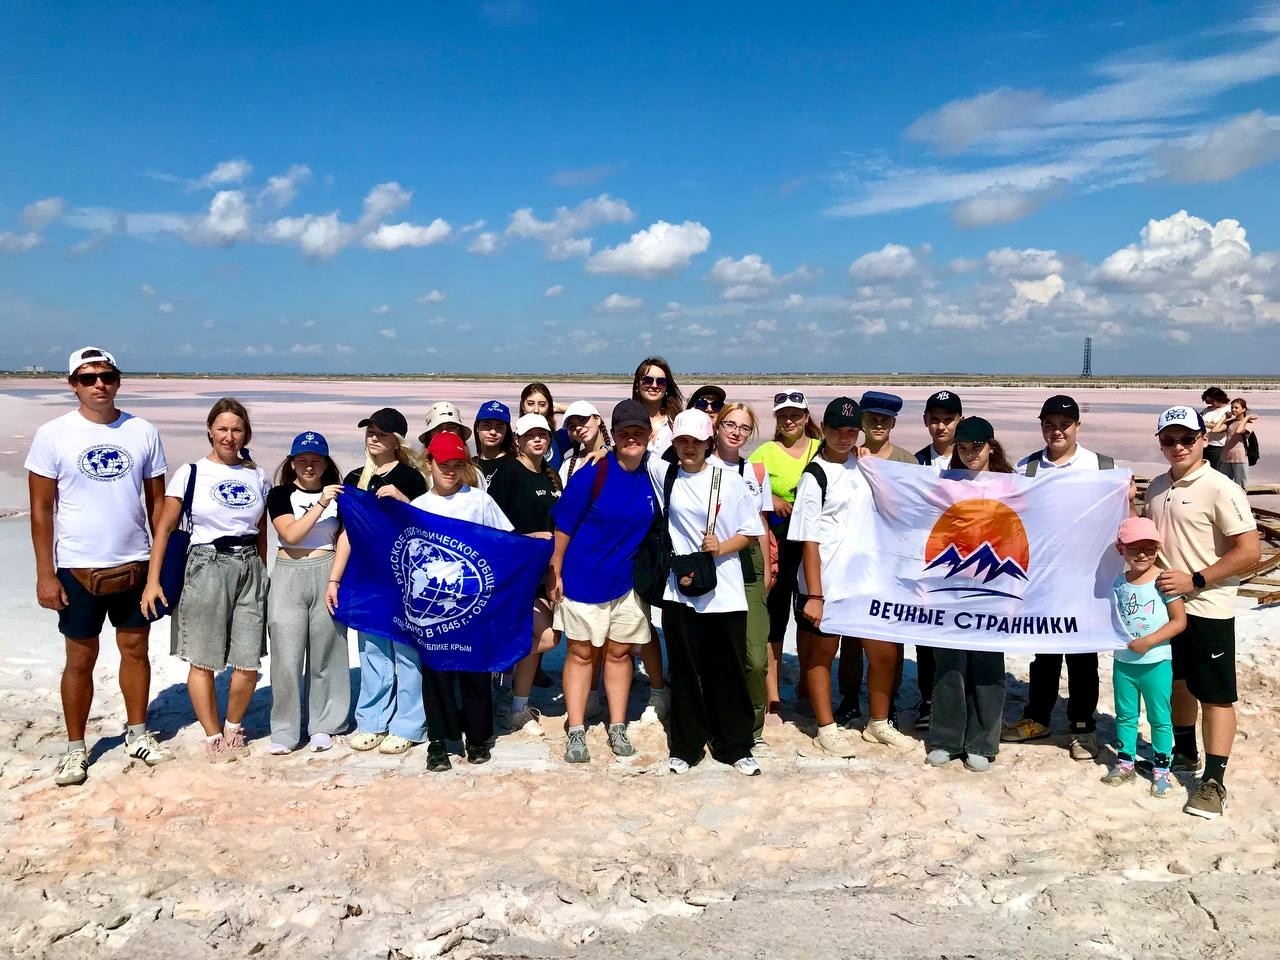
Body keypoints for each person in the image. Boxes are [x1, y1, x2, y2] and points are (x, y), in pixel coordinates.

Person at [27, 346, 173, 786]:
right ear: (73, 384)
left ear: (118, 381)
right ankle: (76, 748)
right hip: (76, 567)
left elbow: (157, 505)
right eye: (88, 378)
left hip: (134, 563)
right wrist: (45, 574)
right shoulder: (53, 434)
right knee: (80, 658)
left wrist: (160, 569)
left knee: (135, 649)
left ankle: (138, 733)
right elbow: (41, 510)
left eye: (106, 376)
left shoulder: (142, 431)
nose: (99, 385)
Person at [1143, 405, 1260, 819]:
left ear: (1203, 439)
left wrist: (1196, 579)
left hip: (1208, 607)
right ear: (1160, 443)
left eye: (1187, 439)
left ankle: (1213, 781)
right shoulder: (1156, 487)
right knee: (1176, 683)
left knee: (1215, 696)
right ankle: (1184, 752)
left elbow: (1250, 550)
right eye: (1169, 440)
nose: (1178, 446)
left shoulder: (1220, 487)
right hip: (1164, 608)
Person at [141, 398, 270, 763]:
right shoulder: (191, 472)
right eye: (222, 429)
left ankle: (233, 726)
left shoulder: (258, 476)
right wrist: (153, 581)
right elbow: (164, 529)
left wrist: (262, 571)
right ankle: (213, 735)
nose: (229, 436)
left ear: (246, 434)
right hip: (205, 565)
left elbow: (260, 530)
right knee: (203, 658)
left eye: (237, 429)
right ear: (210, 431)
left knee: (248, 660)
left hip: (249, 566)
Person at [1001, 395, 1115, 760]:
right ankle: (1037, 717)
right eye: (1049, 425)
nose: (1057, 431)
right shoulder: (1028, 467)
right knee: (1045, 652)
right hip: (1043, 577)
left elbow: (1119, 518)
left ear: (1077, 426)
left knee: (1083, 655)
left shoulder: (1102, 466)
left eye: (1064, 425)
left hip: (1087, 577)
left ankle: (1083, 727)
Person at [651, 410, 764, 776]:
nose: (689, 448)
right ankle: (685, 747)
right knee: (684, 670)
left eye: (696, 442)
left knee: (727, 670)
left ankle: (735, 745)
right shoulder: (666, 474)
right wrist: (597, 450)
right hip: (680, 590)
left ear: (708, 443)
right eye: (682, 441)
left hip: (725, 591)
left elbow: (750, 532)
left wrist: (721, 547)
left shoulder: (729, 480)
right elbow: (631, 452)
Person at [549, 400, 660, 764]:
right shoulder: (593, 473)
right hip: (583, 578)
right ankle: (576, 728)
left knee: (619, 652)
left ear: (649, 435)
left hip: (627, 583)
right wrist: (556, 570)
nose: (632, 438)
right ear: (614, 434)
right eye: (625, 432)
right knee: (581, 653)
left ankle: (617, 725)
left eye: (639, 431)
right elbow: (563, 526)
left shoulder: (655, 472)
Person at [403, 432, 515, 771]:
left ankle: (478, 737)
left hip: (473, 603)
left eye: (457, 464)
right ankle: (439, 741)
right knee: (436, 672)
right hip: (433, 608)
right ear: (429, 463)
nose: (450, 471)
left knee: (474, 670)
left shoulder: (479, 501)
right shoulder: (419, 507)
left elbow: (504, 541)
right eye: (443, 464)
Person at [340, 407, 429, 755]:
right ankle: (372, 720)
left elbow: (424, 527)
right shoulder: (354, 478)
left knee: (406, 651)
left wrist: (403, 500)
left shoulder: (411, 477)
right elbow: (348, 532)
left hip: (403, 578)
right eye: (370, 432)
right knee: (372, 649)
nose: (374, 438)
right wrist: (334, 579)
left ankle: (409, 724)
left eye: (382, 433)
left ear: (397, 441)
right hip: (367, 577)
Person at [925, 417, 1011, 771]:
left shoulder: (1010, 484)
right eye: (963, 447)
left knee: (988, 664)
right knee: (949, 663)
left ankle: (982, 742)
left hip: (996, 584)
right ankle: (946, 739)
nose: (970, 453)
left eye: (977, 446)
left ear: (991, 446)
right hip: (951, 584)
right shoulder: (946, 483)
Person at [836, 391, 917, 728]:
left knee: (891, 635)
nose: (878, 424)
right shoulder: (850, 456)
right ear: (862, 422)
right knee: (851, 635)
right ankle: (849, 698)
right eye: (872, 419)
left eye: (885, 419)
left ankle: (889, 701)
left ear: (894, 423)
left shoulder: (907, 462)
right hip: (855, 556)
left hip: (892, 560)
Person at [265, 432, 349, 754]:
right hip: (289, 573)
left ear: (326, 463)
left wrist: (335, 579)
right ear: (292, 463)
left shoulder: (339, 496)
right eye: (302, 460)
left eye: (316, 460)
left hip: (326, 570)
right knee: (286, 656)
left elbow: (344, 538)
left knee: (326, 653)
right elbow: (291, 534)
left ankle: (324, 725)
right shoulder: (280, 494)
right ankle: (285, 730)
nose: (309, 466)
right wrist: (321, 502)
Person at [486, 413, 563, 737]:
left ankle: (517, 705)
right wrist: (526, 538)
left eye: (542, 434)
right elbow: (491, 525)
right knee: (543, 636)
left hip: (541, 574)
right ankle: (500, 682)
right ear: (517, 440)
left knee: (543, 637)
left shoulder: (550, 476)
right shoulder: (508, 473)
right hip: (513, 575)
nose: (537, 440)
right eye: (530, 435)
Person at [749, 388, 822, 718]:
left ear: (806, 417)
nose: (789, 420)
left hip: (813, 546)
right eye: (783, 416)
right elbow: (746, 490)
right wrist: (772, 500)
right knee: (775, 618)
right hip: (777, 544)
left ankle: (807, 686)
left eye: (795, 415)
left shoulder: (821, 449)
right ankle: (773, 697)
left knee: (808, 617)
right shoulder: (764, 452)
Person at [1103, 517, 1186, 798]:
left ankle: (1162, 770)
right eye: (1134, 548)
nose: (1142, 555)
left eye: (1149, 549)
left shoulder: (1164, 581)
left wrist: (1149, 641)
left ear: (1158, 548)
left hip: (1157, 662)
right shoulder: (1117, 583)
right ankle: (1125, 762)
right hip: (1123, 663)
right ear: (1121, 549)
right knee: (1126, 715)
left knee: (1159, 717)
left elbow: (1179, 621)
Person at [710, 403, 773, 746]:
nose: (736, 432)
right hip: (712, 562)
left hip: (749, 563)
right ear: (717, 427)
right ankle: (715, 718)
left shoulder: (755, 472)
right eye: (730, 424)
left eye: (744, 427)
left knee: (755, 658)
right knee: (716, 651)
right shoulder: (701, 465)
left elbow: (761, 523)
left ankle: (753, 725)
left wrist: (766, 569)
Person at [911, 390, 964, 730]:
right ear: (926, 421)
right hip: (928, 561)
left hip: (968, 562)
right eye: (935, 420)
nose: (941, 426)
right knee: (927, 632)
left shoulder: (973, 457)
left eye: (948, 420)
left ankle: (962, 698)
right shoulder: (915, 463)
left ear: (959, 420)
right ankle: (928, 699)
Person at [631, 356, 685, 455]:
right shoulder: (628, 419)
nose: (654, 385)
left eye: (661, 381)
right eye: (647, 380)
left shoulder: (678, 420)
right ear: (637, 384)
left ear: (667, 386)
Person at [559, 400, 612, 486]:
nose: (578, 428)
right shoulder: (568, 465)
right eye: (572, 426)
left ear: (597, 419)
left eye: (582, 419)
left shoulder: (618, 455)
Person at [519, 382, 568, 471]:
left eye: (542, 405)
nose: (536, 410)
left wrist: (558, 408)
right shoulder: (512, 440)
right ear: (523, 406)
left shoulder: (558, 439)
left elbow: (589, 420)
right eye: (530, 404)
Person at [473, 399, 515, 482]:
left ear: (506, 431)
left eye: (499, 427)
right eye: (487, 425)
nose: (493, 432)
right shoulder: (470, 465)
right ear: (477, 428)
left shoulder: (514, 465)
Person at [1219, 398, 1257, 489]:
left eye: (1236, 408)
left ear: (1243, 409)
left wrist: (1246, 418)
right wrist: (1224, 417)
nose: (1233, 410)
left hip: (1240, 458)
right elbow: (1215, 429)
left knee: (1240, 486)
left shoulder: (1249, 424)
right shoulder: (1230, 422)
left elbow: (1239, 431)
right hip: (1226, 457)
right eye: (1232, 408)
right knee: (1224, 485)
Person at [1200, 387, 1231, 472]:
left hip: (1218, 445)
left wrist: (1206, 423)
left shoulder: (1229, 409)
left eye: (1212, 401)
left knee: (1214, 470)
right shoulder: (1207, 410)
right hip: (1203, 443)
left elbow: (1222, 427)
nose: (1210, 403)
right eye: (1208, 401)